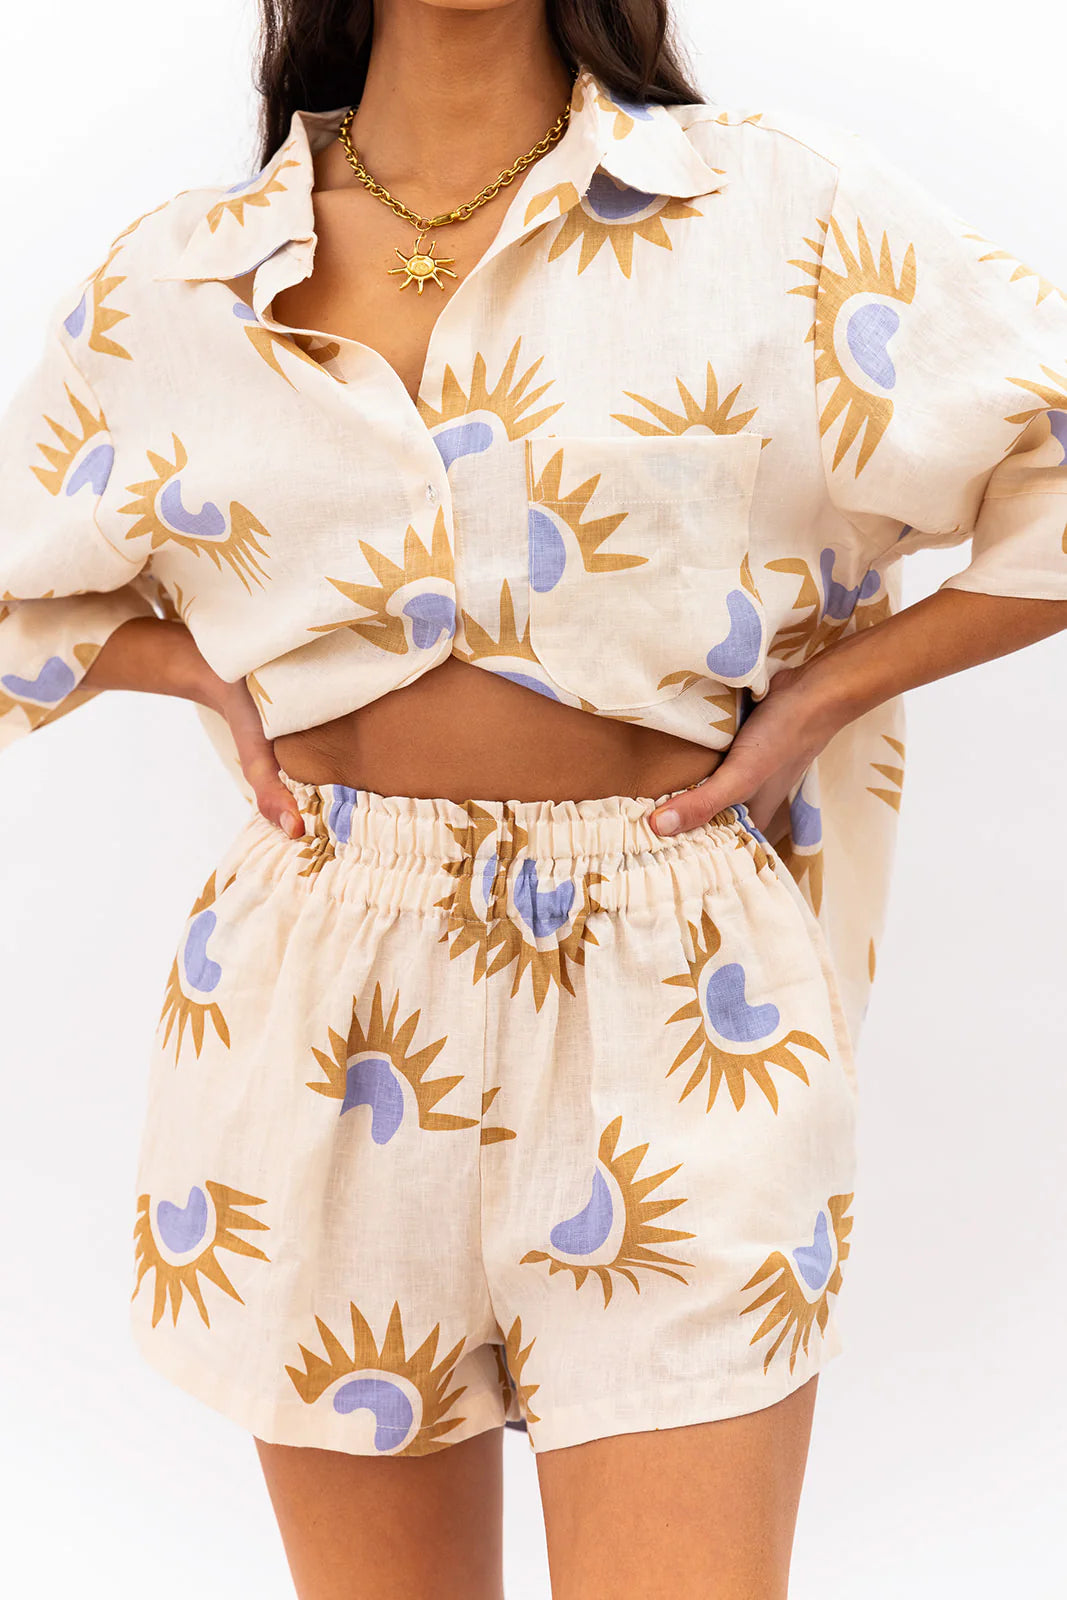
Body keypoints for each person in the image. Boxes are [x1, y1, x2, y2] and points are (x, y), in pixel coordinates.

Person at [2, 1, 1065, 1595]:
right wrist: (184, 667)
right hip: (319, 993)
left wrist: (832, 691)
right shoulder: (182, 277)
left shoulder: (770, 210)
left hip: (682, 986)